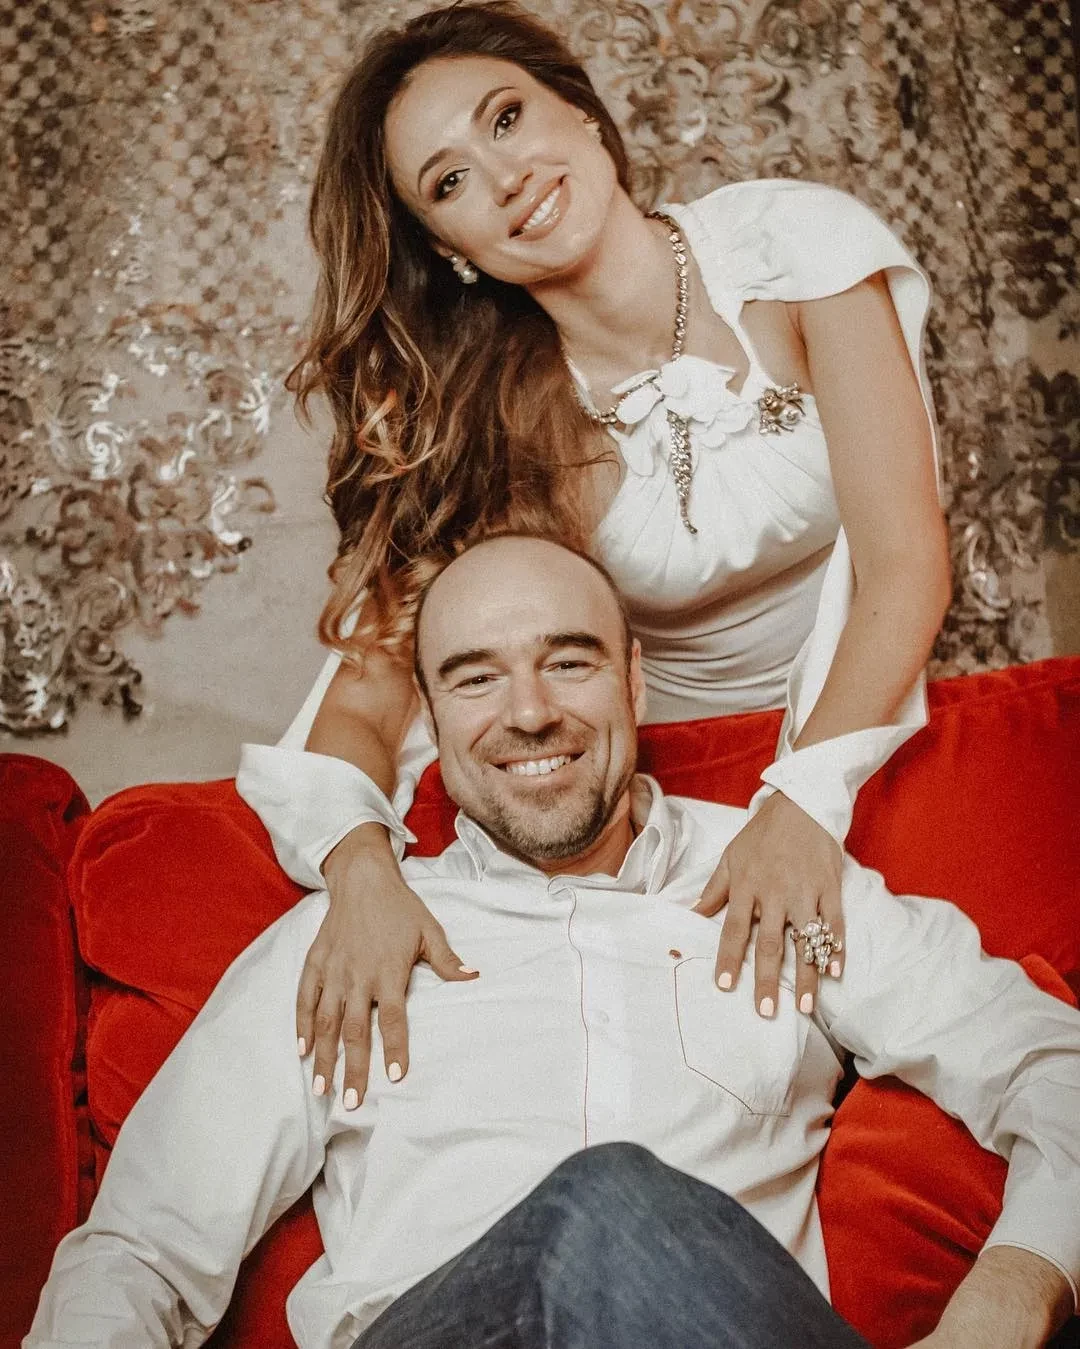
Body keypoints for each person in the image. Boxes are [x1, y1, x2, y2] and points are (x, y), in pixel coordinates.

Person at [28, 536, 1078, 1349]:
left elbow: (1053, 1061)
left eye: (568, 661)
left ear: (635, 681)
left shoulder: (775, 875)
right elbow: (141, 1252)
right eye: (476, 678)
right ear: (430, 718)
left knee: (619, 1213)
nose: (528, 712)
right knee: (604, 1205)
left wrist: (1014, 1283)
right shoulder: (348, 937)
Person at [236, 1, 953, 1113]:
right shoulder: (490, 419)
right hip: (665, 791)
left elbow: (906, 561)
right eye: (450, 181)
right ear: (449, 248)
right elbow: (366, 696)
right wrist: (363, 870)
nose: (506, 176)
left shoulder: (793, 249)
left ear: (577, 108)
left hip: (862, 735)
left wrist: (805, 799)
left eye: (507, 118)